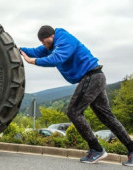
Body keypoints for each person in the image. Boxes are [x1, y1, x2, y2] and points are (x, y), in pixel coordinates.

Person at [19, 25, 133, 166]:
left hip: (91, 77)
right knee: (107, 117)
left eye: (44, 42)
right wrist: (17, 49)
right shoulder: (51, 45)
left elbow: (57, 59)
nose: (43, 45)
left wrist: (33, 61)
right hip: (95, 77)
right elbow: (35, 51)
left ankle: (96, 149)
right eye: (42, 43)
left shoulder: (64, 40)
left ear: (51, 36)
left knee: (74, 111)